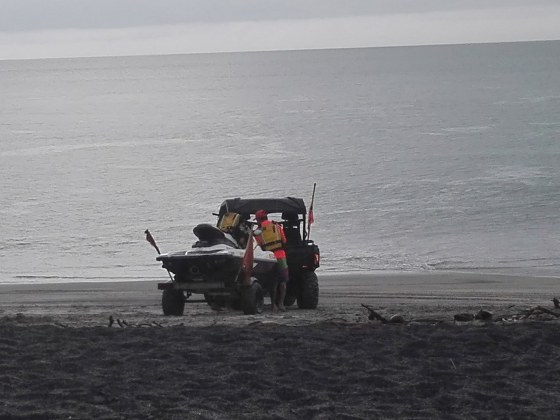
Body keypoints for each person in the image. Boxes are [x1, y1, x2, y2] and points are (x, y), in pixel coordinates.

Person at [254, 209, 289, 312]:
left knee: (273, 282)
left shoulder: (258, 231)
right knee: (282, 282)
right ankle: (281, 304)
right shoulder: (277, 226)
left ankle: (273, 305)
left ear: (259, 219)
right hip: (281, 255)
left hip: (269, 258)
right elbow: (284, 241)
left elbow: (258, 245)